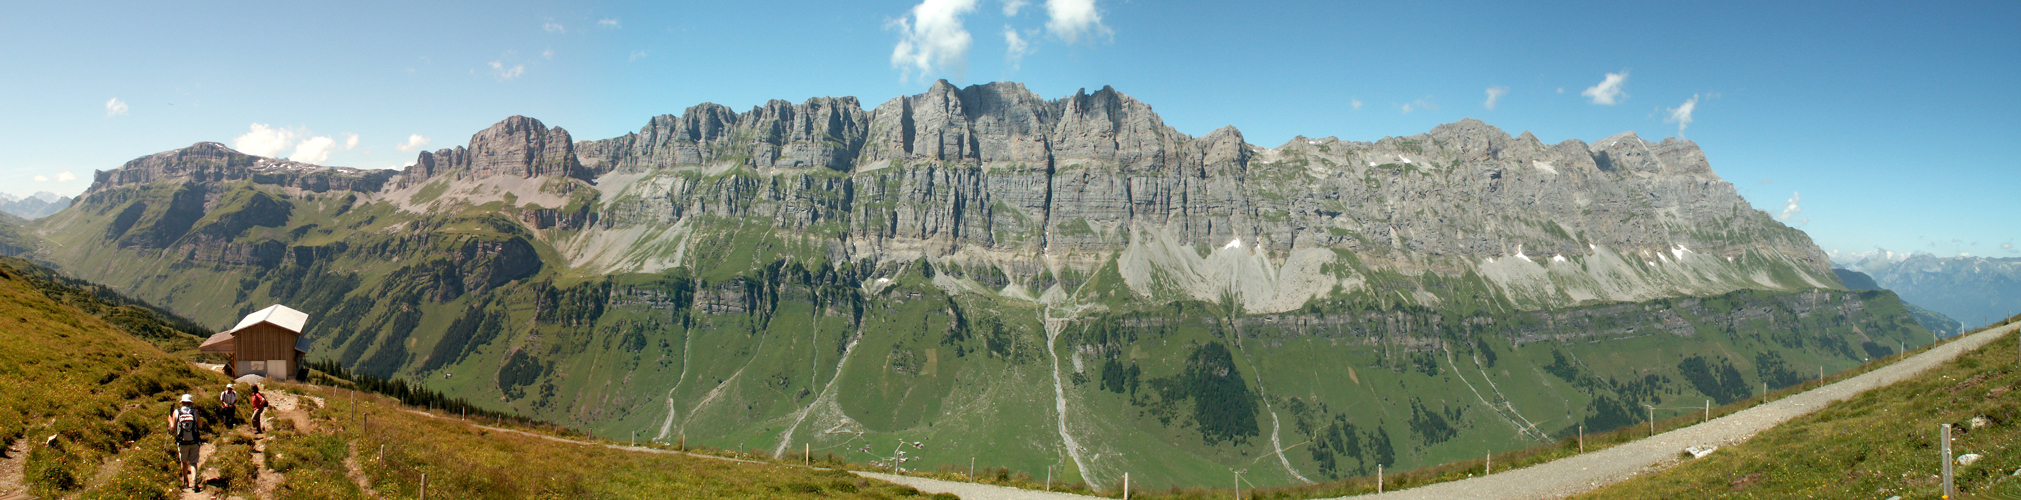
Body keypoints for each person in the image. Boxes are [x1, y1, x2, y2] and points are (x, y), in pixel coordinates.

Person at [167, 394, 202, 491]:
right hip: (194, 441)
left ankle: (186, 481)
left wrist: (170, 420)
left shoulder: (176, 412)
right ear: (191, 403)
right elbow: (200, 425)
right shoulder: (195, 412)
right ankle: (194, 482)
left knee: (184, 461)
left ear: (182, 402)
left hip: (182, 442)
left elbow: (173, 427)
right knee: (194, 462)